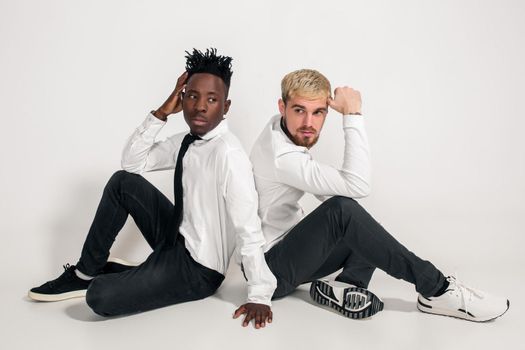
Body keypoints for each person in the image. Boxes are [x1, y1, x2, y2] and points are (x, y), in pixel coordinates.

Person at [29, 48, 277, 328]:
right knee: (123, 182)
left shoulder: (229, 155)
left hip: (197, 269)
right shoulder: (188, 140)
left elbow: (248, 227)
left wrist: (260, 295)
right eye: (193, 96)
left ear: (225, 107)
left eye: (212, 99)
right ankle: (85, 273)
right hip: (175, 239)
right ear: (182, 99)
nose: (200, 106)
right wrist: (161, 113)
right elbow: (133, 162)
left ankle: (127, 276)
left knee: (99, 298)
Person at [249, 68, 510, 322]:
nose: (309, 123)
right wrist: (352, 115)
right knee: (344, 211)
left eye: (318, 112)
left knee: (363, 226)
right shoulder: (282, 157)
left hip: (288, 253)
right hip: (270, 271)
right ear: (282, 107)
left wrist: (351, 223)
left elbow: (334, 192)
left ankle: (345, 287)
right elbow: (358, 184)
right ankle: (437, 289)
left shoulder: (280, 130)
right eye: (299, 111)